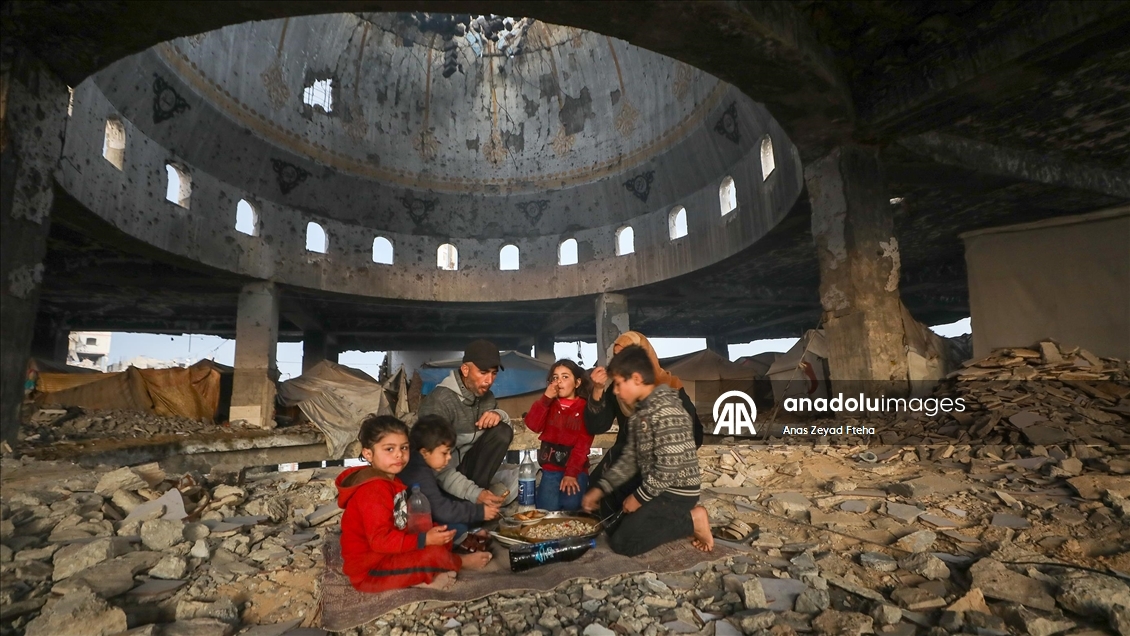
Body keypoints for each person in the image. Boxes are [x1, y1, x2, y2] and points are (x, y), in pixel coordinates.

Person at [335, 415, 491, 593]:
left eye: (404, 447)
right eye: (389, 449)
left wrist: (431, 534)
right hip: (371, 570)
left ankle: (426, 572)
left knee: (440, 535)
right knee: (435, 554)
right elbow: (380, 541)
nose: (399, 454)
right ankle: (460, 563)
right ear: (368, 454)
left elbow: (400, 523)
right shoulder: (373, 490)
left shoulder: (392, 479)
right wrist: (424, 540)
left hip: (390, 552)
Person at [581, 345, 713, 556]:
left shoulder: (667, 410)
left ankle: (693, 520)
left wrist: (639, 498)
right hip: (652, 484)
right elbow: (629, 460)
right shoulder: (640, 414)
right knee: (610, 526)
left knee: (622, 544)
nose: (614, 391)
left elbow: (669, 467)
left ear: (636, 378)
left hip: (674, 493)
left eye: (618, 384)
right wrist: (600, 489)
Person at [585, 331, 703, 512]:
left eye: (626, 355)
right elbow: (597, 426)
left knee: (633, 516)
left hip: (657, 463)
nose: (621, 360)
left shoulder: (670, 391)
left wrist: (657, 452)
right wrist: (598, 390)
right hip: (626, 455)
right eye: (617, 356)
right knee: (596, 491)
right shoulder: (619, 389)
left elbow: (695, 437)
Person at [417, 340, 512, 510]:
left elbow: (503, 433)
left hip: (470, 473)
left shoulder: (487, 398)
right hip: (441, 478)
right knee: (460, 524)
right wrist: (475, 494)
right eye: (483, 372)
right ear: (465, 370)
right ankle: (468, 505)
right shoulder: (440, 402)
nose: (489, 380)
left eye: (493, 373)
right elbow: (437, 467)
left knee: (502, 431)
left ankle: (474, 504)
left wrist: (499, 415)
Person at [398, 414, 500, 546]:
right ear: (424, 452)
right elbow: (442, 511)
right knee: (457, 528)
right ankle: (466, 539)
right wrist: (479, 512)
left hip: (425, 513)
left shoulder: (419, 463)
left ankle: (469, 532)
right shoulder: (419, 473)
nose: (449, 458)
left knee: (462, 510)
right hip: (414, 526)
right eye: (444, 453)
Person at [524, 359, 594, 511]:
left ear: (577, 383)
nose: (559, 382)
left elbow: (583, 444)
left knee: (571, 506)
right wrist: (545, 399)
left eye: (565, 377)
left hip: (576, 470)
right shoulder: (549, 404)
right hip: (551, 469)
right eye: (555, 378)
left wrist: (571, 473)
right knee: (546, 508)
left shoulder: (584, 408)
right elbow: (533, 425)